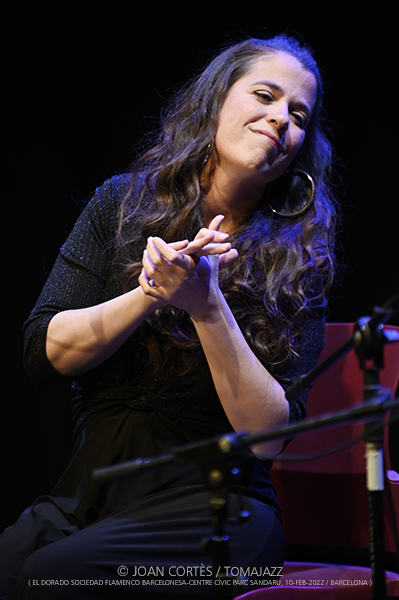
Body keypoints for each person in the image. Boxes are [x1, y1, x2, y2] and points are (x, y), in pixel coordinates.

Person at [0, 34, 339, 599]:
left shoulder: (299, 258)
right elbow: (45, 353)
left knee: (55, 578)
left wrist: (207, 306)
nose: (282, 118)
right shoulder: (122, 203)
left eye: (298, 115)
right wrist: (152, 291)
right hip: (94, 494)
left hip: (223, 514)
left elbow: (271, 437)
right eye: (265, 95)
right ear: (216, 101)